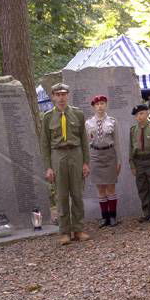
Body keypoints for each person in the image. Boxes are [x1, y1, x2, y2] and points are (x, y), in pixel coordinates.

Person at [41, 83, 91, 245]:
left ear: (67, 95)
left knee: (77, 194)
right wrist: (48, 167)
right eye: (58, 95)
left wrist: (86, 162)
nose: (61, 98)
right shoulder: (48, 117)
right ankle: (64, 232)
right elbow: (45, 144)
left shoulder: (78, 114)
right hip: (58, 155)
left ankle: (78, 229)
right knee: (61, 196)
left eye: (64, 94)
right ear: (53, 97)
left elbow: (84, 140)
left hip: (76, 154)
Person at [86, 94, 121, 228]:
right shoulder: (88, 123)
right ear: (94, 107)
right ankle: (104, 217)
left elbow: (117, 142)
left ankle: (113, 216)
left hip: (110, 155)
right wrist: (87, 161)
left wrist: (119, 160)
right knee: (100, 188)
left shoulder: (112, 121)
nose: (100, 106)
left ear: (106, 105)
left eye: (102, 104)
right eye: (97, 104)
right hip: (95, 156)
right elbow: (86, 143)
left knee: (111, 187)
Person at [129, 104, 150, 222]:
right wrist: (132, 164)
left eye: (141, 113)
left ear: (147, 113)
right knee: (142, 188)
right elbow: (130, 148)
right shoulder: (133, 130)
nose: (139, 117)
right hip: (139, 161)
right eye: (137, 115)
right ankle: (146, 212)